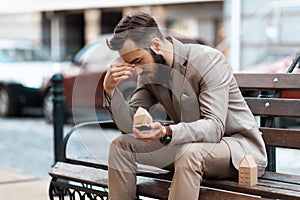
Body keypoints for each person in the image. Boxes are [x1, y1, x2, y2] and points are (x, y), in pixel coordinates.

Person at [103, 11, 267, 200]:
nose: (137, 70)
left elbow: (214, 128)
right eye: (131, 65)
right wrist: (110, 90)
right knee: (121, 146)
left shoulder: (207, 60)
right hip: (188, 147)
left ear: (155, 45)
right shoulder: (149, 74)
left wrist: (167, 132)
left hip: (238, 151)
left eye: (139, 61)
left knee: (189, 154)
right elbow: (128, 125)